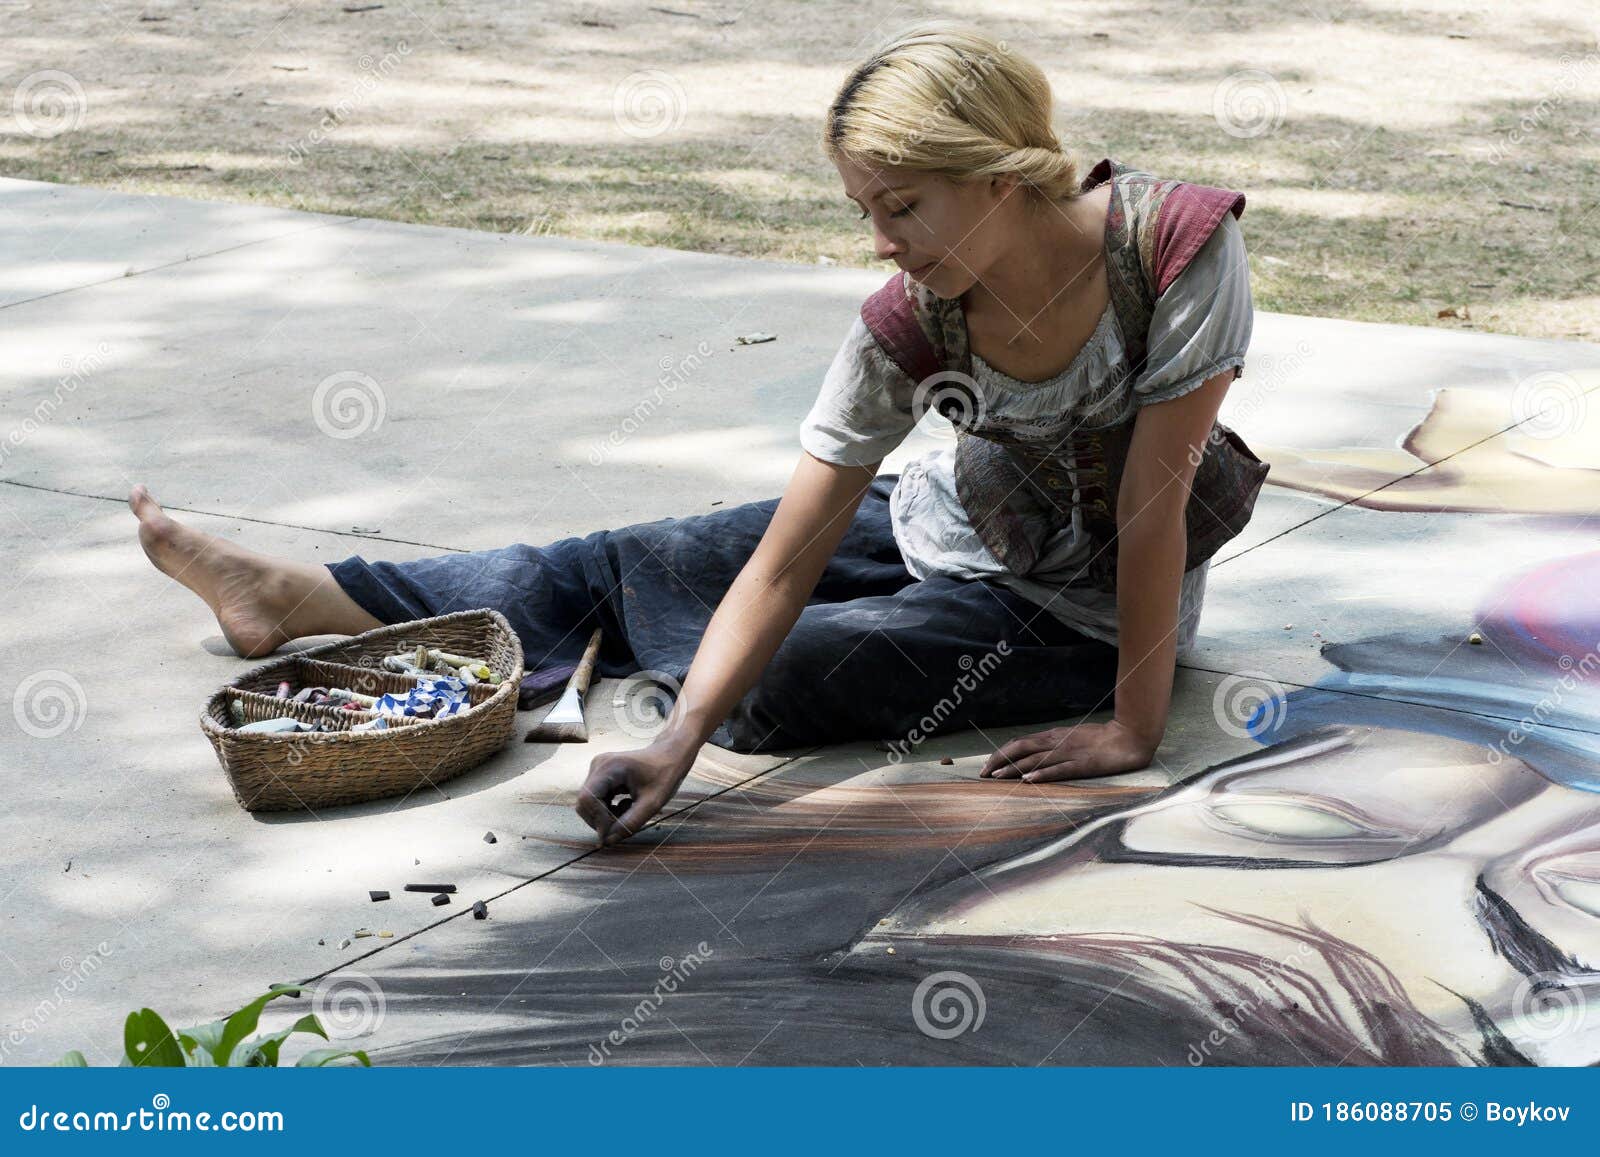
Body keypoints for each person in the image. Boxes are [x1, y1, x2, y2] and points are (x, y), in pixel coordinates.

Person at [128, 20, 1265, 848]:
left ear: (1001, 175)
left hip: (1066, 610)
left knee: (786, 680)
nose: (880, 240)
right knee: (641, 556)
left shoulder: (1172, 251)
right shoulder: (907, 320)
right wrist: (674, 751)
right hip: (939, 518)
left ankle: (633, 651)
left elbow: (1150, 503)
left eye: (903, 205)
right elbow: (787, 552)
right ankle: (301, 598)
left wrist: (1132, 721)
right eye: (862, 209)